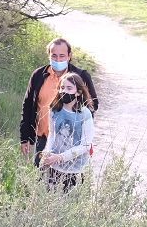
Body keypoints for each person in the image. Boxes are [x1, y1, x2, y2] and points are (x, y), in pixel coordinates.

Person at [18, 36, 101, 165]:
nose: (57, 59)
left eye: (62, 56)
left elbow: (93, 105)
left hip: (72, 142)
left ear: (69, 56)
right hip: (44, 139)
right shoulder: (38, 75)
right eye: (54, 56)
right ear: (49, 56)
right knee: (40, 179)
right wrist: (25, 138)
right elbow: (27, 105)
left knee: (69, 182)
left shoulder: (80, 76)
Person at [40, 72, 96, 188]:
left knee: (70, 201)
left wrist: (61, 157)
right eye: (62, 87)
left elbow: (85, 145)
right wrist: (47, 152)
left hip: (75, 168)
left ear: (78, 92)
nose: (64, 91)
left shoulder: (84, 114)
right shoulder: (54, 109)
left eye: (69, 88)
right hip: (55, 165)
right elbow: (52, 134)